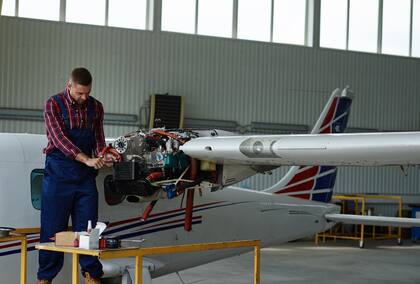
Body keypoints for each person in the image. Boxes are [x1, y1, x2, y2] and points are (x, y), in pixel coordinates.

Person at [37, 67, 111, 284]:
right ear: (69, 86)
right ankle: (45, 278)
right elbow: (59, 140)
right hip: (59, 173)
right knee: (52, 229)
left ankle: (91, 275)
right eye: (80, 93)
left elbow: (98, 138)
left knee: (88, 229)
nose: (84, 97)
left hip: (85, 178)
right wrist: (86, 159)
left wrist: (103, 156)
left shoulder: (96, 107)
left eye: (87, 92)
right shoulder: (53, 104)